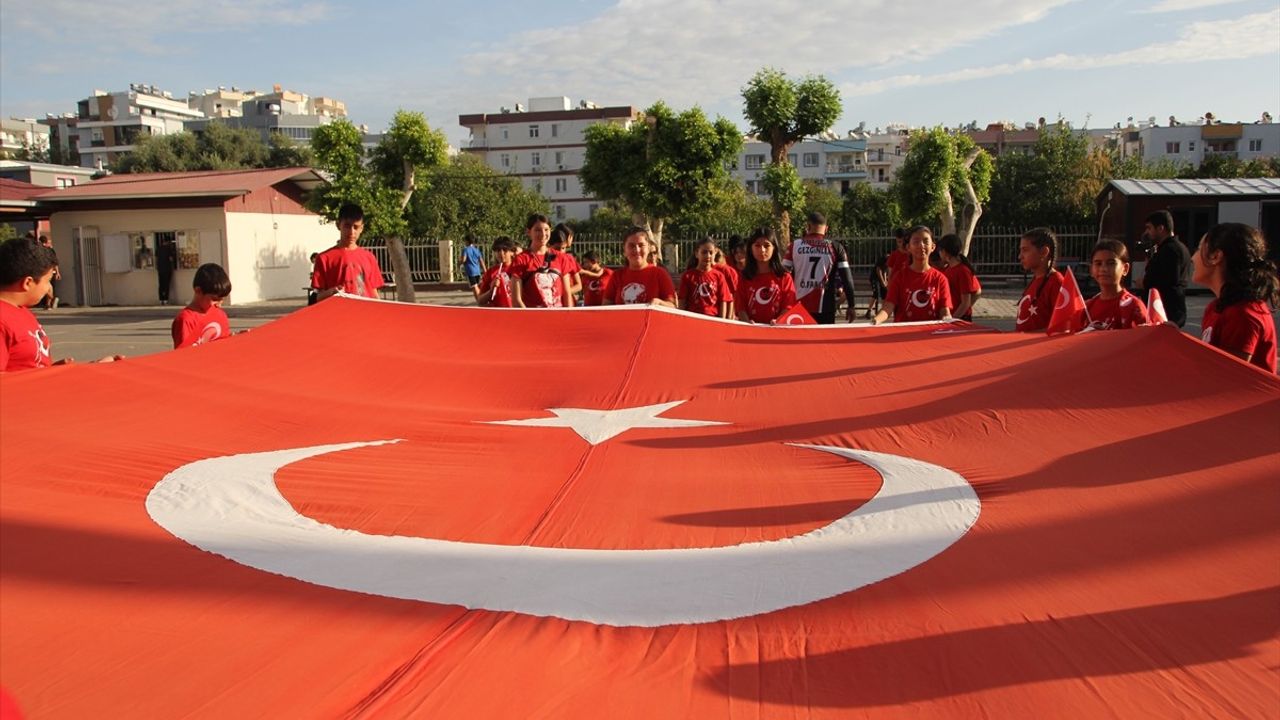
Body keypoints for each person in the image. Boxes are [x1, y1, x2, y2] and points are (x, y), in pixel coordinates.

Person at [0, 237, 119, 371]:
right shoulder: (3, 320)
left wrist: (59, 371)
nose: (48, 288)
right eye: (48, 281)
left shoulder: (21, 311)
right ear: (28, 282)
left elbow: (28, 367)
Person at [1192, 222, 1278, 373]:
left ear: (1216, 256)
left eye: (1199, 249)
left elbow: (1229, 378)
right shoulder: (1217, 307)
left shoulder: (1243, 314)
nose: (1193, 258)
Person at [782, 211, 857, 324]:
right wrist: (851, 305)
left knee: (800, 341)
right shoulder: (835, 247)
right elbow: (847, 279)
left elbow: (782, 275)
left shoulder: (794, 246)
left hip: (798, 305)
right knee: (823, 340)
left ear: (808, 226)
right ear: (826, 228)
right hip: (826, 307)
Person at [872, 225, 952, 324]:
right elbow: (888, 307)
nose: (921, 245)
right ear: (908, 247)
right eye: (916, 241)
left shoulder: (940, 279)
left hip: (931, 335)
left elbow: (944, 311)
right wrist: (876, 320)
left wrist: (948, 321)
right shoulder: (899, 277)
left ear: (933, 247)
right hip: (903, 335)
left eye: (926, 241)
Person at [311, 204, 385, 300]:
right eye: (347, 226)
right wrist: (332, 292)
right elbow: (318, 297)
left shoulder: (369, 257)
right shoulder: (324, 258)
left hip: (365, 312)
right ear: (338, 225)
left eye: (356, 227)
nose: (351, 232)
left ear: (362, 228)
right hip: (339, 312)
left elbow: (374, 293)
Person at [510, 214, 575, 308]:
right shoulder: (521, 260)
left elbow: (566, 294)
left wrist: (568, 316)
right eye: (537, 230)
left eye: (546, 230)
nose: (543, 234)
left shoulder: (561, 258)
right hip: (533, 319)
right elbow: (516, 300)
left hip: (558, 317)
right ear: (528, 232)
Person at [1140, 210, 1191, 327]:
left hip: (1165, 309)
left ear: (1160, 228)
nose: (1147, 232)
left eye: (1149, 228)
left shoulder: (1170, 250)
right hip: (1171, 308)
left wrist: (1145, 282)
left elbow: (1168, 280)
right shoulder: (1178, 248)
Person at [735, 227, 796, 324]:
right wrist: (746, 322)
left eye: (767, 246)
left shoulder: (784, 277)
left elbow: (788, 306)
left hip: (777, 331)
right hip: (749, 332)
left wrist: (779, 321)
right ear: (751, 249)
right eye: (757, 246)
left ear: (774, 248)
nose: (762, 250)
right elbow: (740, 307)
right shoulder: (744, 277)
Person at [603, 227, 675, 307]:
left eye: (641, 245)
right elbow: (606, 307)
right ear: (624, 250)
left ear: (648, 248)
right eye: (631, 246)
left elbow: (673, 306)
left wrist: (660, 303)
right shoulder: (617, 276)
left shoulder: (660, 274)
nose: (637, 250)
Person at [1085, 239, 1148, 331]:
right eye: (1098, 263)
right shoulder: (1086, 308)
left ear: (1125, 268)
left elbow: (1143, 340)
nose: (1104, 269)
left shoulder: (1134, 306)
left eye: (1111, 263)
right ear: (1091, 270)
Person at [172, 263, 233, 349]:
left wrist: (236, 339)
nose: (219, 304)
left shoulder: (220, 315)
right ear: (198, 291)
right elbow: (183, 356)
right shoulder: (186, 320)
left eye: (222, 299)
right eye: (215, 299)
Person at [1015, 227, 1063, 333]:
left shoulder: (1056, 283)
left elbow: (1063, 328)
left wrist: (1025, 338)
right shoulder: (1036, 280)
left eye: (1025, 250)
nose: (1020, 256)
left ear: (1044, 252)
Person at [679, 237, 732, 318]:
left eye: (711, 253)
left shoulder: (719, 276)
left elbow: (723, 301)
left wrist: (722, 321)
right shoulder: (688, 276)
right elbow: (682, 300)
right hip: (693, 318)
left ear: (715, 254)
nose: (708, 256)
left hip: (713, 319)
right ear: (697, 253)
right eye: (704, 252)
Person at [938, 233, 982, 322]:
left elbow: (966, 302)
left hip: (959, 318)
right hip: (951, 316)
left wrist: (952, 319)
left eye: (940, 250)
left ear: (945, 252)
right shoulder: (948, 268)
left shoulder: (963, 271)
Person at [476, 237, 517, 308]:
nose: (501, 253)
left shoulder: (518, 269)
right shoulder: (491, 272)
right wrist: (491, 290)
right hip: (498, 312)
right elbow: (480, 301)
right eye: (498, 250)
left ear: (512, 252)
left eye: (505, 250)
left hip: (515, 312)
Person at [549, 224, 582, 301]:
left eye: (563, 248)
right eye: (557, 248)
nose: (560, 252)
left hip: (566, 302)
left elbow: (579, 285)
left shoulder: (569, 258)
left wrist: (563, 293)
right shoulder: (545, 259)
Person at [156, 234, 178, 305]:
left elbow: (156, 258)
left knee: (161, 284)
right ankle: (165, 299)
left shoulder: (158, 248)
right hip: (167, 269)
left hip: (160, 269)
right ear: (168, 242)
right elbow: (171, 259)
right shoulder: (169, 249)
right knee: (166, 284)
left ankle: (161, 299)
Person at [866, 254, 889, 320]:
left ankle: (883, 310)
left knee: (884, 292)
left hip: (880, 276)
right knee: (876, 293)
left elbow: (884, 271)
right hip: (875, 278)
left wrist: (885, 282)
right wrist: (882, 282)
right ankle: (869, 311)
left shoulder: (889, 262)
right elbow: (878, 270)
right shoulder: (884, 258)